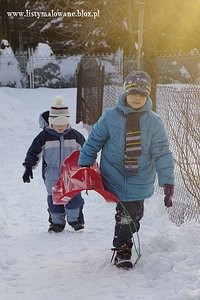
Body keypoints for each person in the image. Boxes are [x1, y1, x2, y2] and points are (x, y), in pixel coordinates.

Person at [78, 71, 175, 268]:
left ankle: (126, 236)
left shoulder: (154, 122)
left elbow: (162, 152)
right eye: (134, 93)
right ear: (126, 92)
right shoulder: (110, 117)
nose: (137, 98)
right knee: (126, 213)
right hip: (113, 173)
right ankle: (122, 249)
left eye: (142, 94)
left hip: (140, 176)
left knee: (136, 214)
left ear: (147, 96)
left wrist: (167, 181)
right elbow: (95, 139)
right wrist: (85, 163)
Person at [22, 96, 85, 233]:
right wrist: (28, 167)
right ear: (51, 123)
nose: (61, 128)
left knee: (73, 197)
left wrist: (88, 167)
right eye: (57, 125)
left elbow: (86, 153)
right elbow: (34, 152)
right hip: (51, 174)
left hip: (72, 173)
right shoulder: (44, 136)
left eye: (64, 124)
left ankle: (76, 221)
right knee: (54, 199)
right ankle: (57, 223)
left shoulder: (76, 136)